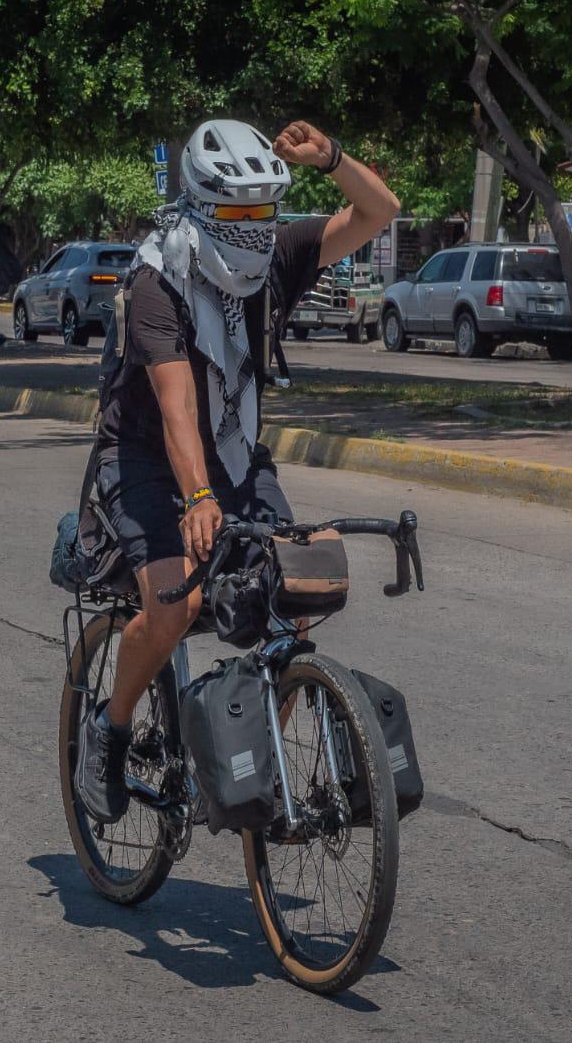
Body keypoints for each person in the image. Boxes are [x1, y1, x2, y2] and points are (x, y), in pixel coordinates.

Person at [73, 119, 400, 823]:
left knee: (296, 596)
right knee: (175, 605)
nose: (255, 227)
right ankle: (111, 727)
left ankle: (250, 763)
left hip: (232, 453)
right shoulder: (159, 279)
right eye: (238, 212)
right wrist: (196, 495)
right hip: (142, 457)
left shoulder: (277, 256)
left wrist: (333, 158)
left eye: (264, 210)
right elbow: (175, 403)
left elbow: (380, 212)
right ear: (200, 205)